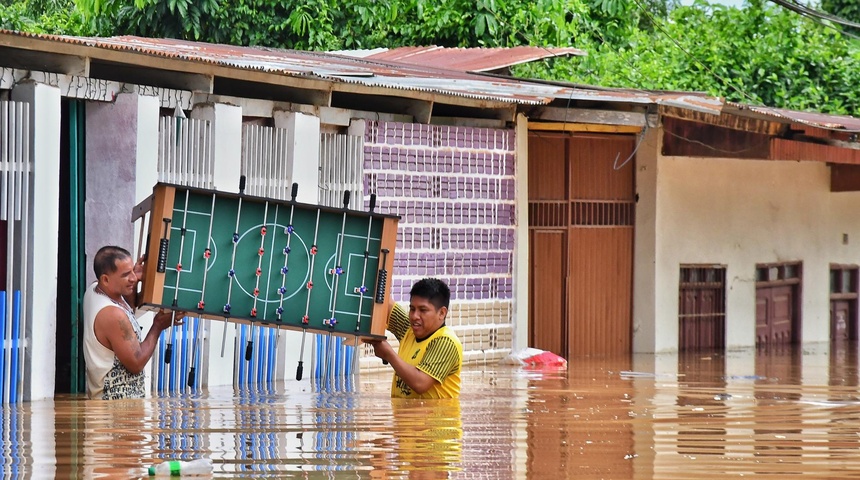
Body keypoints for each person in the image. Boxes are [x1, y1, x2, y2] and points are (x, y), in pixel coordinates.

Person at [83, 245, 181, 400]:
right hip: (117, 407)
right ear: (106, 279)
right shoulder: (113, 315)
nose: (134, 278)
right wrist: (158, 326)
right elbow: (136, 364)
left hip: (114, 404)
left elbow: (128, 310)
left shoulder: (94, 289)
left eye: (132, 271)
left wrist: (131, 281)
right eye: (126, 274)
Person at [367, 278, 463, 399]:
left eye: (423, 310)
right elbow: (384, 303)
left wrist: (388, 354)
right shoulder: (408, 329)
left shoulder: (446, 342)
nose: (414, 316)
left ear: (442, 313)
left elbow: (420, 383)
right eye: (412, 309)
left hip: (436, 418)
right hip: (405, 417)